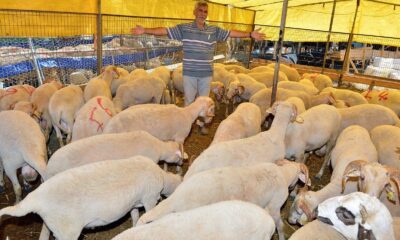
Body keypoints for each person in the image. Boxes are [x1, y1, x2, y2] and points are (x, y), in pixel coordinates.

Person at [132, 0, 265, 106]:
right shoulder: (184, 28)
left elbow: (231, 33)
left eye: (205, 11)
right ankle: (188, 126)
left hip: (206, 73)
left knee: (204, 100)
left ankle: (201, 124)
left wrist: (250, 34)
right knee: (189, 100)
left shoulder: (213, 30)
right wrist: (145, 30)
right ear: (194, 12)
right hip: (190, 72)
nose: (202, 13)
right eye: (200, 11)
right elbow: (165, 31)